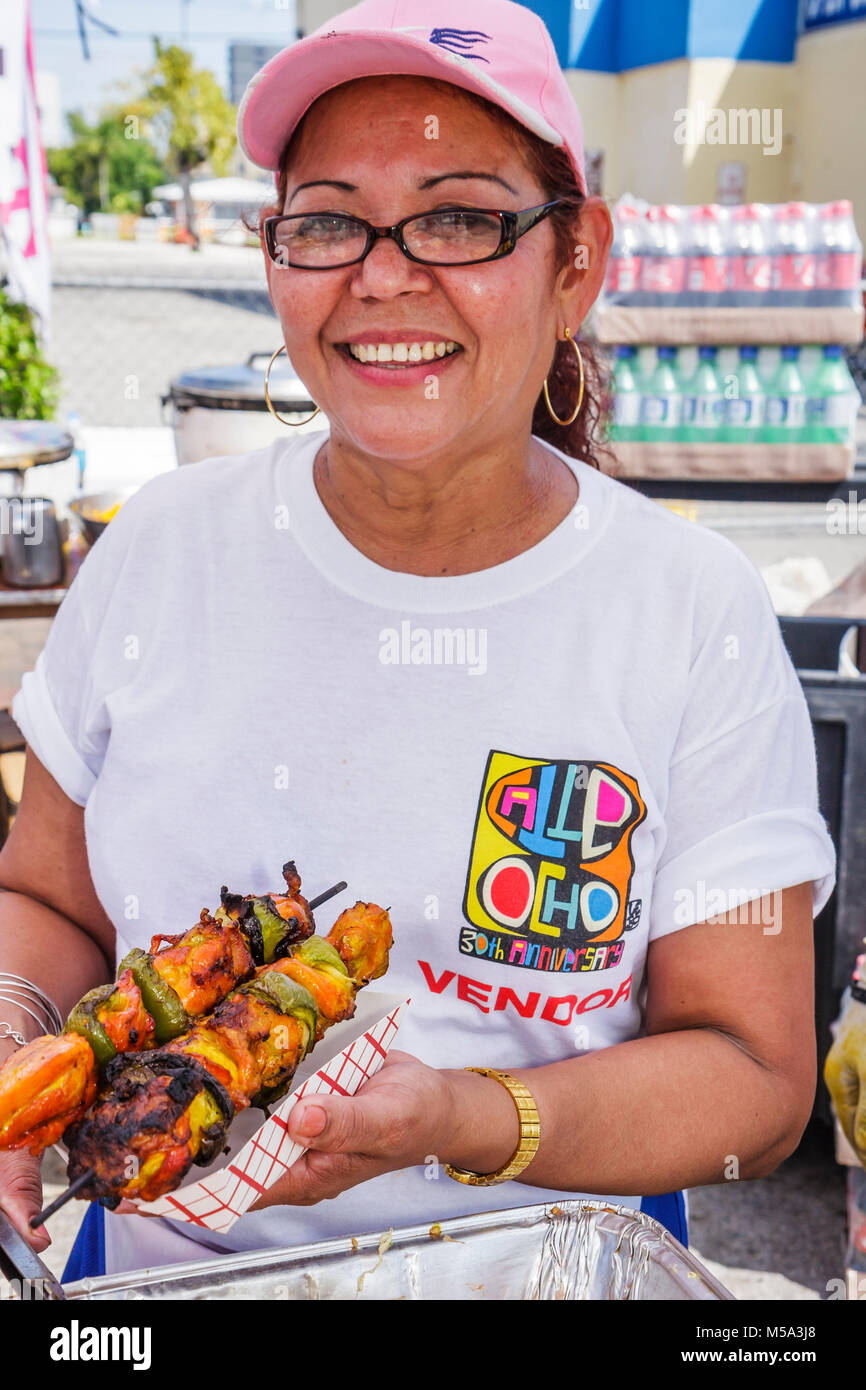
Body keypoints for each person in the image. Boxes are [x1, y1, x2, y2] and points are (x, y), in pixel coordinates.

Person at [0, 0, 836, 1284]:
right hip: (160, 1285)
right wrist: (19, 1030)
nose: (382, 274)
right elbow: (47, 899)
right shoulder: (161, 552)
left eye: (458, 216)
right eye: (327, 219)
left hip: (544, 1270)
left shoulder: (688, 609)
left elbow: (757, 1081)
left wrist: (461, 1120)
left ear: (574, 265)